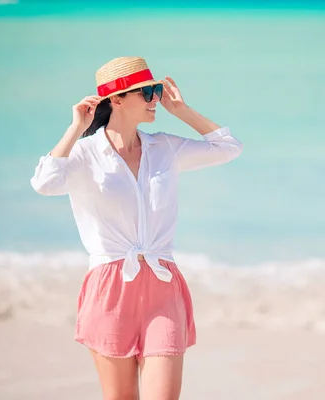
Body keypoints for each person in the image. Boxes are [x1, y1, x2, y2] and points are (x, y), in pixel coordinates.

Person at [30, 56, 243, 400]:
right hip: (110, 285)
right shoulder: (85, 154)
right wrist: (74, 128)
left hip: (162, 283)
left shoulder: (165, 148)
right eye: (146, 92)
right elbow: (44, 182)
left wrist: (183, 111)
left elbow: (229, 148)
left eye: (155, 90)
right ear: (115, 99)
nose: (155, 99)